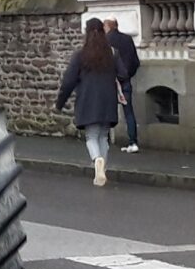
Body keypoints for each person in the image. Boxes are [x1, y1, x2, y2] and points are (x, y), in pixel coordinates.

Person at [57, 17, 125, 188]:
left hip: (88, 101)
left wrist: (60, 102)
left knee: (91, 136)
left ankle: (97, 161)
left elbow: (68, 82)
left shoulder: (80, 55)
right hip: (108, 100)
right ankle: (102, 169)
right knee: (103, 136)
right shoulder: (112, 53)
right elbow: (123, 73)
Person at [106, 18, 143, 151]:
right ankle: (133, 142)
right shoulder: (127, 39)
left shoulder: (105, 41)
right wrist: (127, 75)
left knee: (107, 111)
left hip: (109, 82)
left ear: (107, 26)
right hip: (125, 80)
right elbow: (136, 62)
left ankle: (105, 141)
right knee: (129, 112)